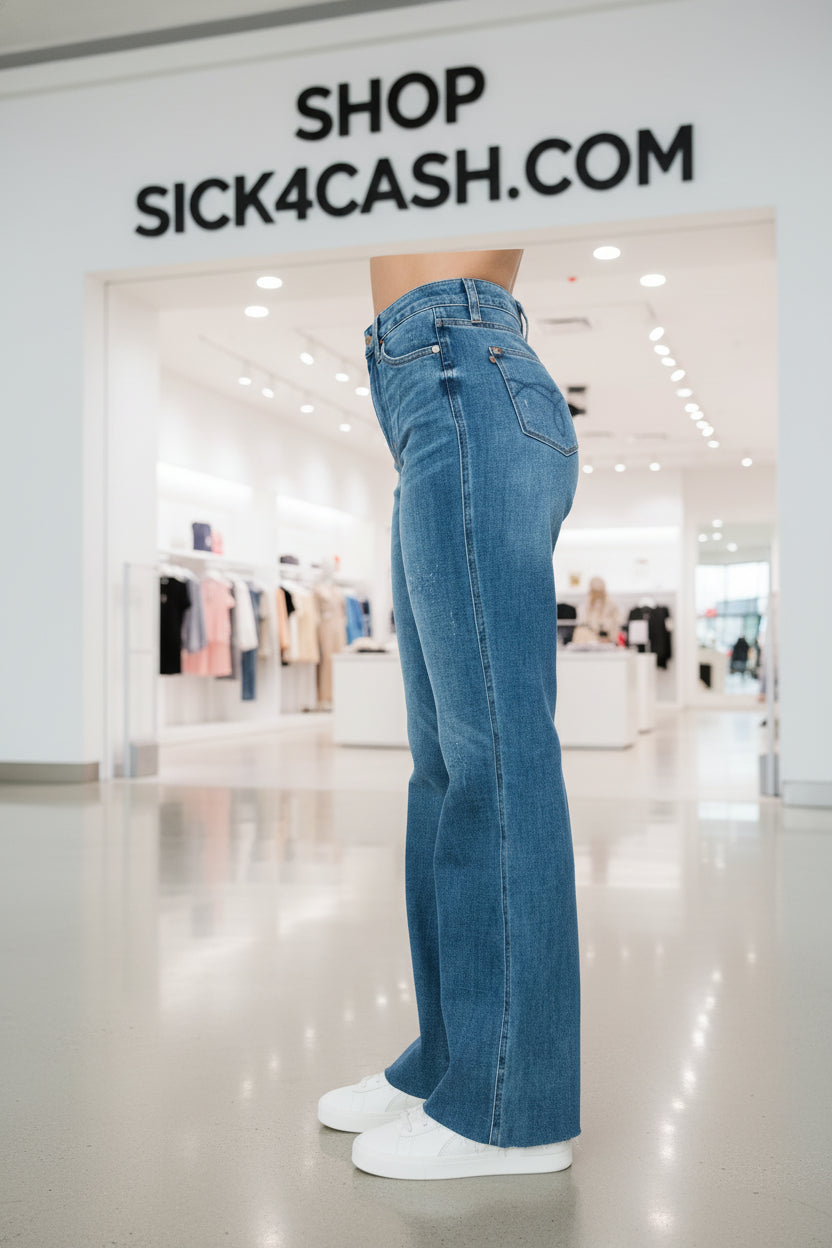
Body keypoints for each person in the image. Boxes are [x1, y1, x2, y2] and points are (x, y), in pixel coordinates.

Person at [318, 249, 581, 1180]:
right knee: (442, 771)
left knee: (494, 761)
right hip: (433, 381)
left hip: (454, 359)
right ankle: (451, 1059)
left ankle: (512, 1107)